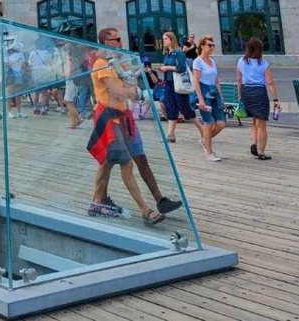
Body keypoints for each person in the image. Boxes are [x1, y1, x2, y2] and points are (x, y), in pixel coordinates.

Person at [86, 27, 182, 224]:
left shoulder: (114, 63)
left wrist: (129, 87)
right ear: (106, 42)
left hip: (124, 116)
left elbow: (127, 86)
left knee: (134, 159)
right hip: (109, 118)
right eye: (117, 39)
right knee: (121, 162)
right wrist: (132, 90)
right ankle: (144, 210)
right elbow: (120, 91)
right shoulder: (101, 64)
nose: (121, 42)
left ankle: (157, 199)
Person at [236, 37, 280, 160]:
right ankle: (261, 151)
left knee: (254, 121)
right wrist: (275, 99)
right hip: (259, 92)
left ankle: (254, 143)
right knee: (261, 123)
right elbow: (270, 82)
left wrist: (240, 95)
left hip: (246, 91)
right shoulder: (264, 63)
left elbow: (239, 80)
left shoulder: (241, 61)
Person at [157, 32, 198, 144]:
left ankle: (202, 130)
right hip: (169, 83)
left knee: (184, 108)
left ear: (171, 39)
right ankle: (170, 134)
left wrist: (167, 68)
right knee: (170, 107)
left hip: (178, 84)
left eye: (165, 39)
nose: (164, 41)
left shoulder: (178, 52)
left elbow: (181, 67)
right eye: (163, 39)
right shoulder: (167, 53)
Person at [191, 36, 225, 162]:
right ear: (202, 46)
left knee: (221, 123)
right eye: (209, 45)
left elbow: (216, 80)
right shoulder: (197, 61)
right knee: (208, 122)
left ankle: (205, 140)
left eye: (212, 45)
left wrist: (221, 96)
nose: (211, 47)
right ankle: (209, 151)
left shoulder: (213, 61)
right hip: (204, 92)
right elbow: (196, 80)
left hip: (213, 92)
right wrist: (200, 99)